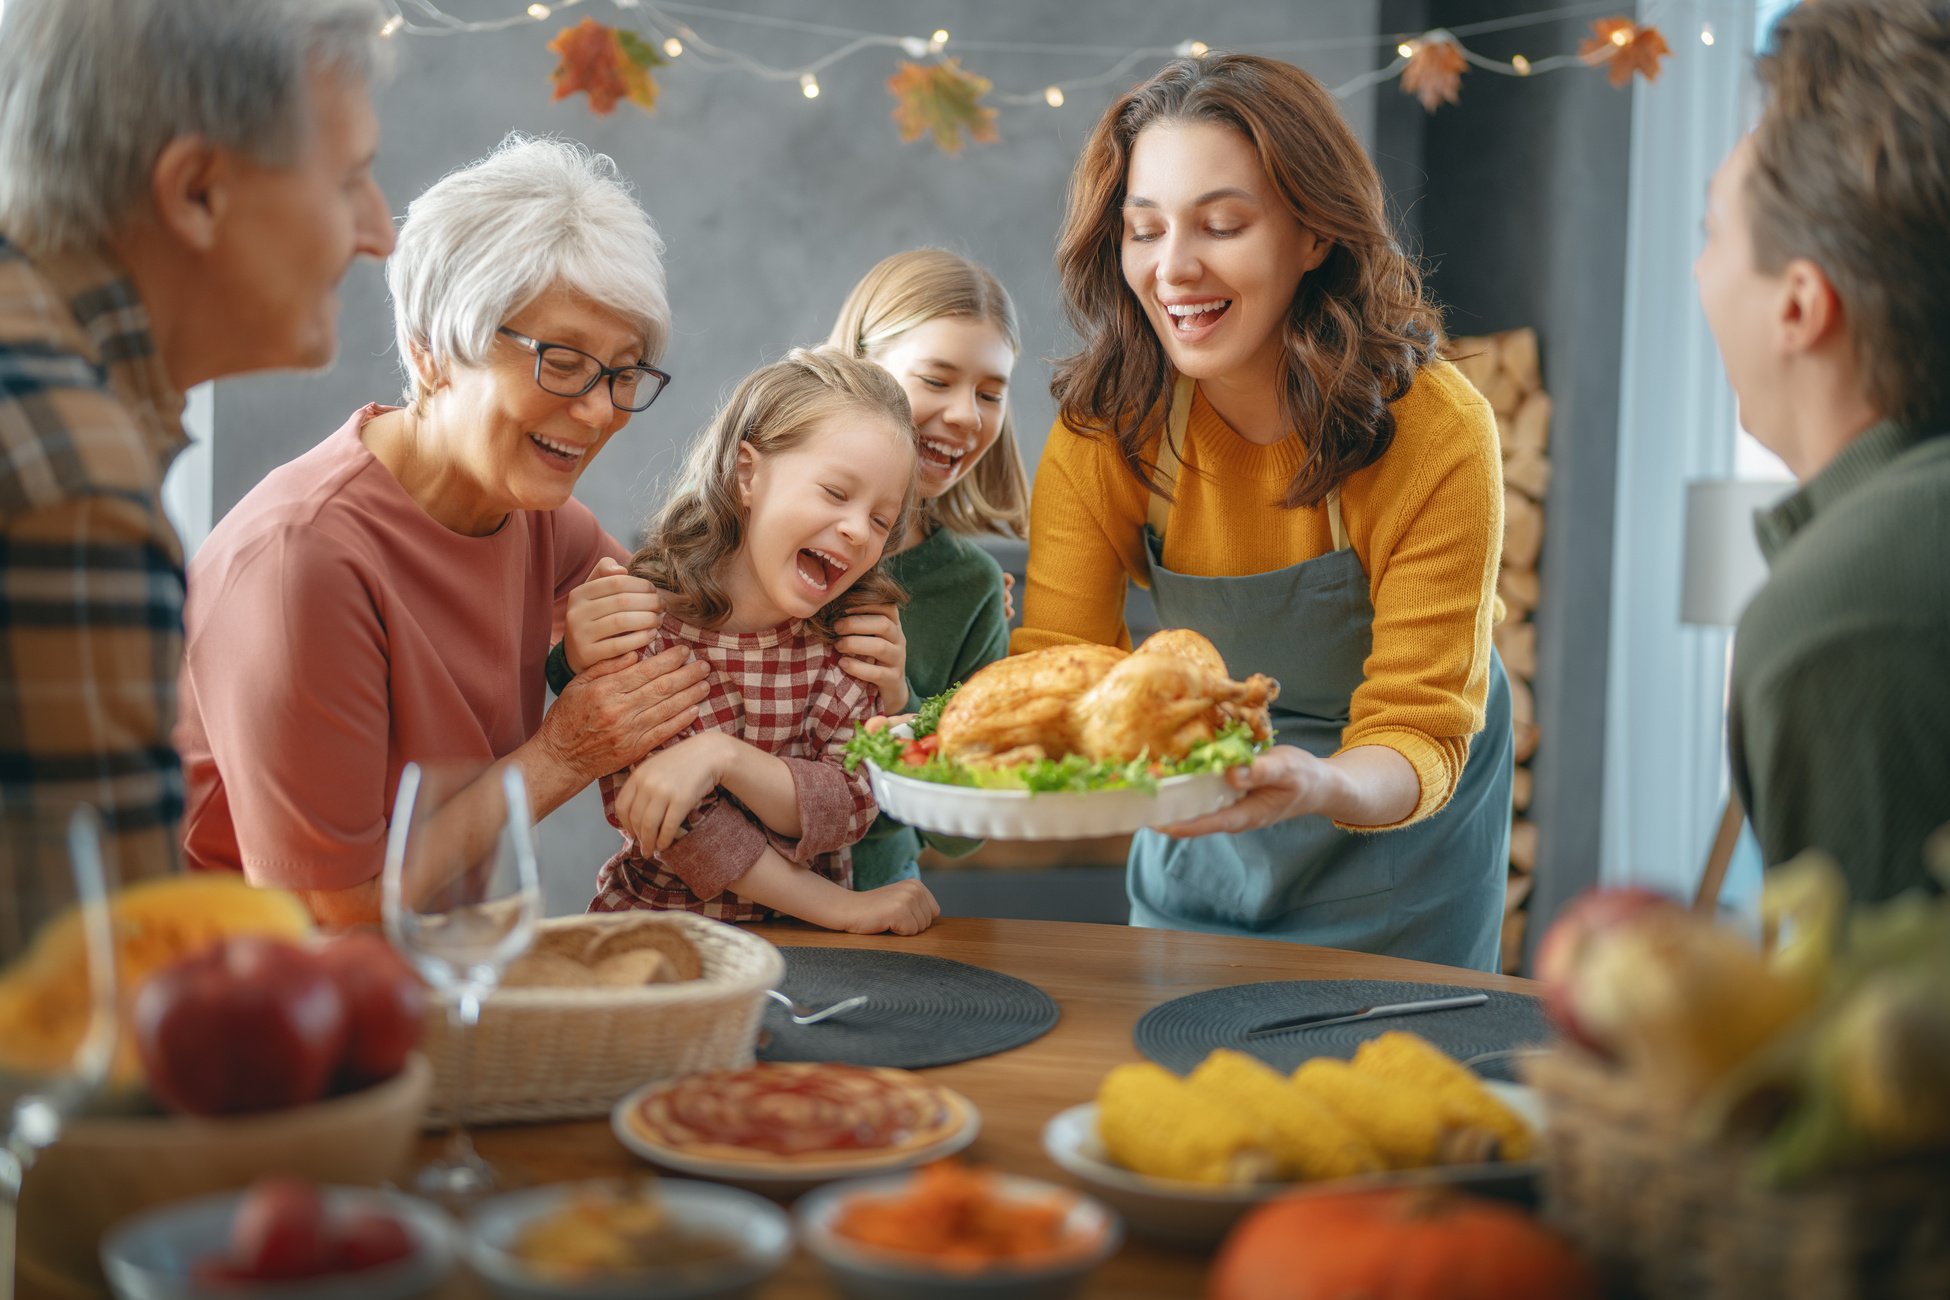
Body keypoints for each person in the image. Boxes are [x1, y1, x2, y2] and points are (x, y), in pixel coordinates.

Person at [1017, 54, 1512, 969]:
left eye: (1223, 224)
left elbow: (1416, 725)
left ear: (1315, 232)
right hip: (1204, 830)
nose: (1173, 269)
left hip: (1398, 846)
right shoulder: (1109, 429)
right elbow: (1060, 670)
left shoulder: (1437, 432)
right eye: (1145, 229)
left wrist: (1315, 781)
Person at [176, 135, 711, 924]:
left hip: (423, 965)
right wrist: (562, 755)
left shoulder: (539, 521)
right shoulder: (304, 561)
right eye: (561, 361)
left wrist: (861, 635)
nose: (598, 410)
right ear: (431, 352)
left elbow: (709, 643)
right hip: (229, 992)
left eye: (622, 373)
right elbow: (333, 913)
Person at [0, 0, 394, 880]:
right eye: (348, 181)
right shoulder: (71, 481)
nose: (379, 233)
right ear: (197, 192)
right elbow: (83, 987)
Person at [1698, 0, 1950, 901]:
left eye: (1713, 232)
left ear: (1798, 306)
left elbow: (1870, 1037)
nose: (1700, 273)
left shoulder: (1841, 623)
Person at [575, 347, 941, 935]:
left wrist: (723, 759)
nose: (856, 528)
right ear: (748, 473)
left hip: (814, 952)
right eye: (835, 492)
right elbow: (684, 829)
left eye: (880, 520)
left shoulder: (849, 642)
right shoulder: (644, 630)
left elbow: (849, 803)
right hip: (663, 941)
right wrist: (842, 909)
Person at [823, 248, 1028, 888]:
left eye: (990, 393)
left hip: (877, 899)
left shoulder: (970, 588)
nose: (967, 415)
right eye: (936, 380)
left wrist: (903, 701)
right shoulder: (750, 533)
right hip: (715, 897)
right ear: (859, 367)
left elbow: (962, 835)